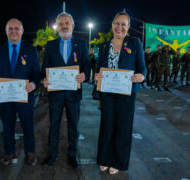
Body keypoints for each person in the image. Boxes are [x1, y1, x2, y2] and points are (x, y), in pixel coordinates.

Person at [94, 12, 146, 174]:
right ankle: (104, 159)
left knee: (123, 128)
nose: (120, 27)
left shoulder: (135, 43)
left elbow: (142, 67)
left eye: (123, 24)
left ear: (128, 27)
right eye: (117, 23)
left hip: (127, 94)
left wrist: (141, 76)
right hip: (107, 94)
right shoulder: (103, 46)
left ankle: (118, 162)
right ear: (112, 25)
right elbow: (98, 70)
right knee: (107, 127)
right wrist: (96, 76)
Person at [42, 12, 90, 168]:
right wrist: (44, 78)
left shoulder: (82, 44)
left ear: (72, 26)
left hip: (73, 93)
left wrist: (84, 75)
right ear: (58, 27)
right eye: (61, 24)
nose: (64, 26)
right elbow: (45, 68)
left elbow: (87, 66)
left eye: (66, 23)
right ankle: (52, 154)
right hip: (55, 94)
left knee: (73, 126)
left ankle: (72, 155)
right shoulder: (50, 45)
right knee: (54, 125)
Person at [0, 18, 40, 166]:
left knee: (28, 125)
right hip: (5, 96)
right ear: (6, 31)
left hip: (25, 95)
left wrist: (33, 83)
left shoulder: (30, 50)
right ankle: (9, 152)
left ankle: (30, 152)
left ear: (22, 31)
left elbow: (36, 72)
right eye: (10, 28)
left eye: (16, 28)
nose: (13, 31)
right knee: (7, 126)